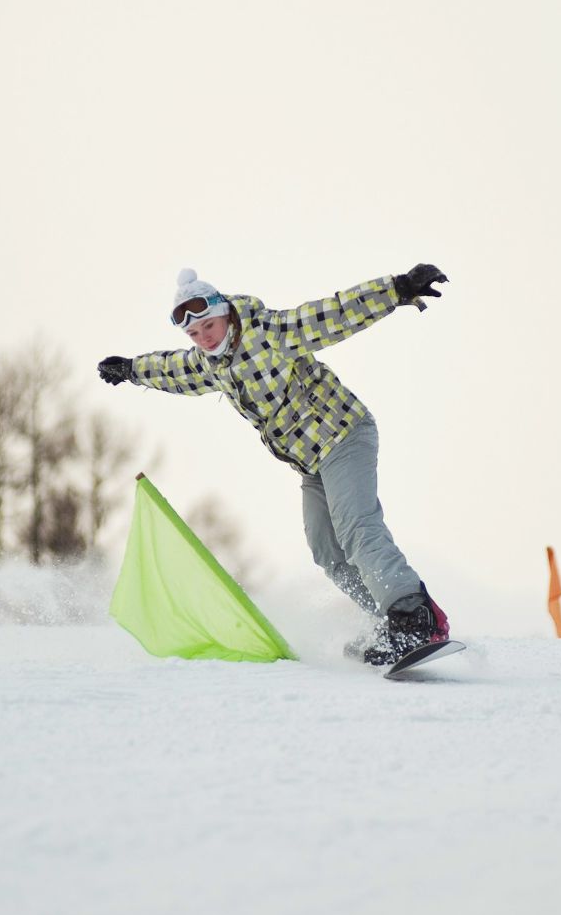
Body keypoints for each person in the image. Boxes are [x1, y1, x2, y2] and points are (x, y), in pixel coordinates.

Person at [97, 263, 450, 665]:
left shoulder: (270, 332)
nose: (203, 338)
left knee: (357, 527)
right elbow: (172, 370)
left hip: (344, 434)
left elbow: (333, 314)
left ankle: (414, 616)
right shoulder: (209, 363)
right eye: (194, 334)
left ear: (225, 312)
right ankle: (388, 621)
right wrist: (130, 369)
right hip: (312, 462)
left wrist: (398, 289)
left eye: (208, 326)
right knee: (327, 551)